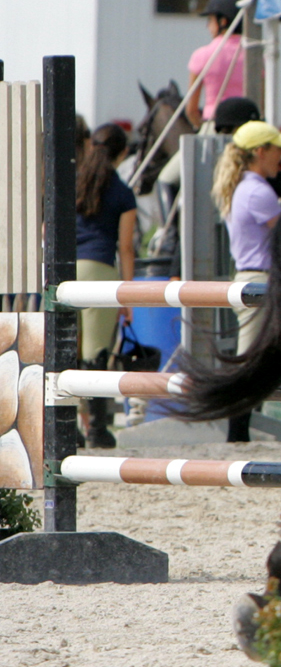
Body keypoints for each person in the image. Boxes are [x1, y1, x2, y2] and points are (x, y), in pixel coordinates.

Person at [212, 120, 281, 442]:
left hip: (253, 277)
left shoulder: (244, 187)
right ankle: (237, 433)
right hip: (258, 280)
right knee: (250, 357)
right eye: (277, 149)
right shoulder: (258, 191)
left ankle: (241, 430)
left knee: (256, 354)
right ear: (260, 152)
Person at [74, 122, 137, 448]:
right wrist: (127, 293)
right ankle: (97, 428)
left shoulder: (73, 182)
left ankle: (67, 425)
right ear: (122, 153)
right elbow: (125, 247)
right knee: (96, 352)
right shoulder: (122, 192)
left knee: (67, 350)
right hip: (99, 270)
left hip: (67, 271)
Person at [185, 0, 247, 127]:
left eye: (210, 20)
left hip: (214, 124)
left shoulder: (201, 55)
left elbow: (191, 110)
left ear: (223, 21)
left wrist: (203, 128)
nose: (208, 26)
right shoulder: (255, 55)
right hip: (248, 128)